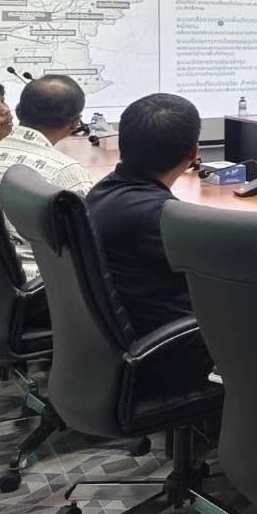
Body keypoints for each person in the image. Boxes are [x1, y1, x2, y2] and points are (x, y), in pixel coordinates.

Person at [88, 94, 202, 335]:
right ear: (194, 152)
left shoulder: (100, 191)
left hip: (126, 331)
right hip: (174, 340)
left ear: (122, 145)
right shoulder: (160, 217)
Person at [0, 75, 92, 261]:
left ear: (18, 111)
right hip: (44, 273)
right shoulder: (66, 171)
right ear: (75, 123)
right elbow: (91, 237)